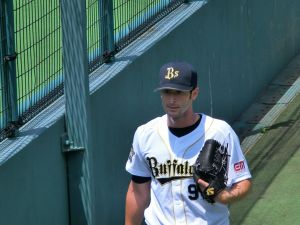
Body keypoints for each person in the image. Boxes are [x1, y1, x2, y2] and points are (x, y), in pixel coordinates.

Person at [125, 62, 252, 225]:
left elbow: (243, 180)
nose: (171, 100)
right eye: (166, 92)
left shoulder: (219, 132)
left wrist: (228, 196)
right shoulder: (145, 134)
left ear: (194, 93)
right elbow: (138, 192)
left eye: (179, 92)